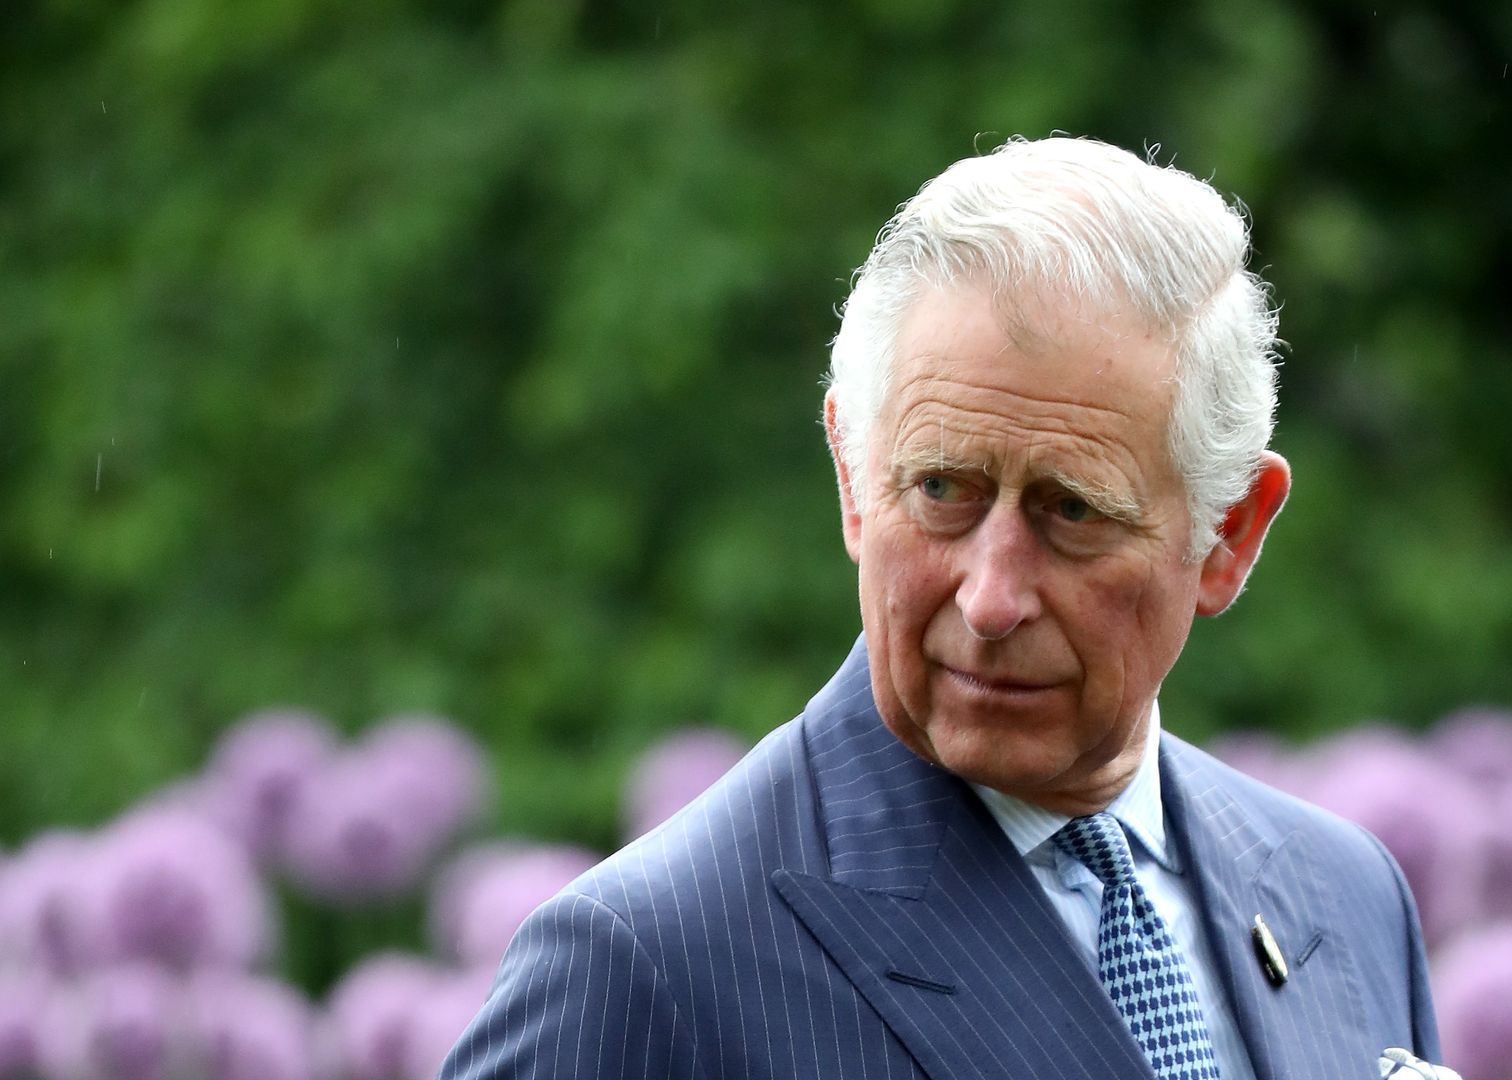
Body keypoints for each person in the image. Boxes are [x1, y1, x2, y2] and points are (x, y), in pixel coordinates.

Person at [438, 136, 1440, 1080]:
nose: (992, 596)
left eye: (1073, 510)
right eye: (942, 491)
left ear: (1229, 536)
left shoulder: (1344, 897)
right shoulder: (641, 967)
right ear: (851, 481)